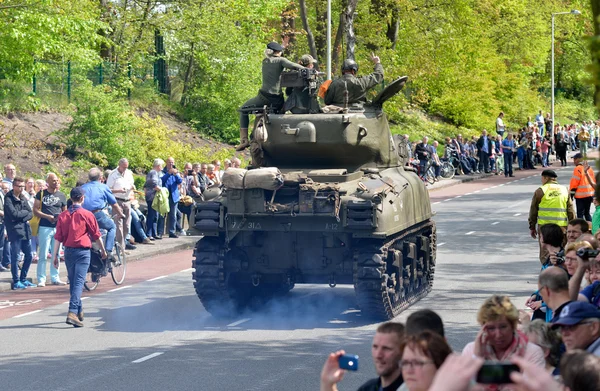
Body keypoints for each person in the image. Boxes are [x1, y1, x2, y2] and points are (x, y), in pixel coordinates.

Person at [54, 187, 107, 327]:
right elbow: (96, 235)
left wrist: (55, 256)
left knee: (73, 281)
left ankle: (78, 309)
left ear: (71, 198)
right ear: (82, 198)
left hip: (68, 251)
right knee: (78, 282)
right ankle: (72, 312)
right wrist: (103, 251)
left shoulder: (63, 215)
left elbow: (58, 238)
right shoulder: (87, 214)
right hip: (82, 252)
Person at [237, 40, 304, 151]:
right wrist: (308, 70)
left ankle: (244, 140)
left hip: (263, 98)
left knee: (243, 110)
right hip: (277, 100)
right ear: (279, 52)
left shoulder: (265, 61)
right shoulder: (281, 60)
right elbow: (293, 65)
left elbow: (274, 55)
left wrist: (281, 46)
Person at [462, 295, 545, 366]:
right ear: (483, 328)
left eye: (503, 327)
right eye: (491, 328)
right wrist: (477, 357)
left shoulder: (532, 352)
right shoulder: (471, 350)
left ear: (513, 325)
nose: (498, 334)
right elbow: (464, 383)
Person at [320, 322, 405, 391]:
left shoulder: (412, 387)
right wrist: (328, 383)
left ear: (403, 352)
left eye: (386, 348)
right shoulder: (369, 387)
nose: (378, 355)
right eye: (375, 347)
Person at [528, 169, 575, 263]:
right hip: (561, 227)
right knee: (560, 252)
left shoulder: (540, 191)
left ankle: (547, 273)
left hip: (545, 228)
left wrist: (532, 226)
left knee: (546, 254)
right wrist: (572, 227)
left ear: (546, 178)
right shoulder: (564, 190)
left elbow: (533, 211)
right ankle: (561, 273)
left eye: (542, 178)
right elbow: (570, 210)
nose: (541, 181)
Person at [33, 173, 67, 287]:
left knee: (56, 254)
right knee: (43, 254)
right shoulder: (41, 194)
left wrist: (60, 220)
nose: (56, 182)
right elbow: (35, 210)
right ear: (48, 181)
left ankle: (55, 277)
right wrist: (48, 216)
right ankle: (41, 278)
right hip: (44, 226)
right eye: (53, 180)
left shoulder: (62, 195)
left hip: (57, 227)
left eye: (57, 180)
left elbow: (65, 212)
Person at [82, 168, 124, 259]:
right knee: (112, 227)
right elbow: (114, 204)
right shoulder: (103, 187)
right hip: (96, 214)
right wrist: (121, 214)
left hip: (83, 215)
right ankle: (108, 251)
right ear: (100, 177)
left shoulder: (82, 187)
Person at [4, 177, 36, 289]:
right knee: (16, 256)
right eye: (19, 186)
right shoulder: (8, 198)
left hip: (25, 230)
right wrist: (23, 215)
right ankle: (16, 281)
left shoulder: (23, 197)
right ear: (13, 186)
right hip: (14, 231)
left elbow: (30, 213)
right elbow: (13, 215)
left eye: (23, 186)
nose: (21, 188)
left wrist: (20, 215)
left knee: (29, 255)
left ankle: (23, 278)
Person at [106, 158, 136, 252]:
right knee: (119, 225)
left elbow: (132, 184)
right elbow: (108, 189)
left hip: (127, 200)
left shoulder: (129, 173)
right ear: (119, 165)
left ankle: (122, 243)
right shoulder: (113, 174)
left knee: (126, 225)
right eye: (123, 167)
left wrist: (132, 187)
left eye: (126, 167)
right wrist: (119, 190)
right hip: (117, 201)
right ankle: (121, 248)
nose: (125, 169)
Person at [569, 154, 595, 222]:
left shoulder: (577, 168)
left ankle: (581, 230)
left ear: (578, 159)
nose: (574, 161)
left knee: (580, 215)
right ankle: (592, 228)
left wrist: (571, 195)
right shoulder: (589, 168)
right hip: (589, 194)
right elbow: (593, 181)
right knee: (587, 213)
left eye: (574, 159)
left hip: (580, 196)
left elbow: (574, 183)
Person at [144, 158, 164, 240]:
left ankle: (154, 233)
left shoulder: (156, 173)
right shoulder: (154, 172)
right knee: (152, 215)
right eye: (161, 165)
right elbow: (154, 184)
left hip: (154, 197)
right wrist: (161, 190)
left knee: (155, 215)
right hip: (152, 197)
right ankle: (149, 234)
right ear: (158, 166)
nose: (162, 167)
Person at [161, 163, 182, 238]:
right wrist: (168, 173)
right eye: (169, 162)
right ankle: (160, 232)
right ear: (167, 163)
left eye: (172, 162)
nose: (171, 164)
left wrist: (176, 174)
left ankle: (172, 232)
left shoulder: (175, 172)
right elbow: (162, 181)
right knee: (162, 215)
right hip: (164, 196)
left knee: (173, 215)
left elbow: (180, 181)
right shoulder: (162, 171)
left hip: (174, 197)